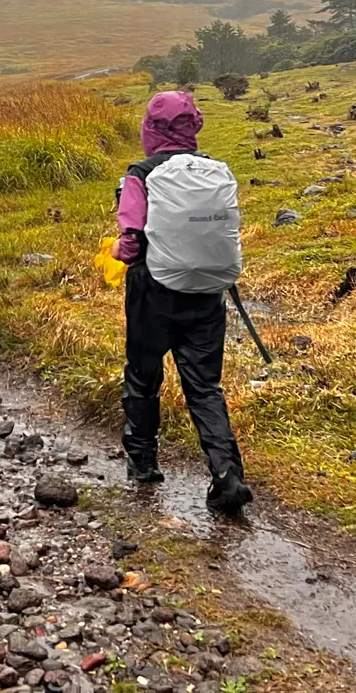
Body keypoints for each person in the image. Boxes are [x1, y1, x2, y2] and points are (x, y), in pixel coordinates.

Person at [114, 89, 253, 514]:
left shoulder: (140, 173)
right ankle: (227, 474)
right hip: (208, 292)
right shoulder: (214, 170)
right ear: (195, 126)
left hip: (152, 293)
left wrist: (120, 251)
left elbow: (132, 242)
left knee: (143, 376)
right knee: (204, 386)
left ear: (151, 129)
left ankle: (142, 465)